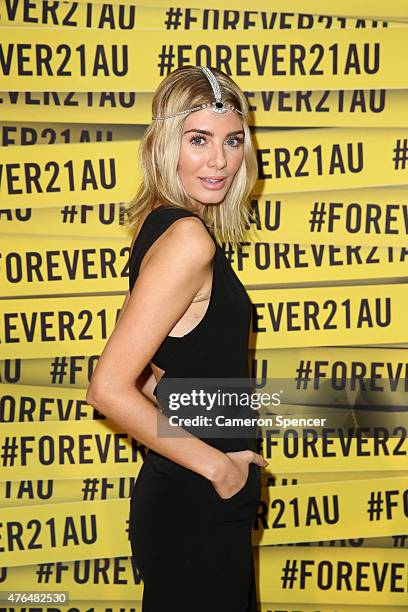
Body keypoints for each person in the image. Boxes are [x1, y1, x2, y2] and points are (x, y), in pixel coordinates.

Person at [86, 65, 268, 612]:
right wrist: (219, 466)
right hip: (198, 499)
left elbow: (152, 370)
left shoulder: (168, 226)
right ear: (167, 144)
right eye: (198, 140)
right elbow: (110, 388)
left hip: (192, 494)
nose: (219, 161)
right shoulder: (187, 238)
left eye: (232, 141)